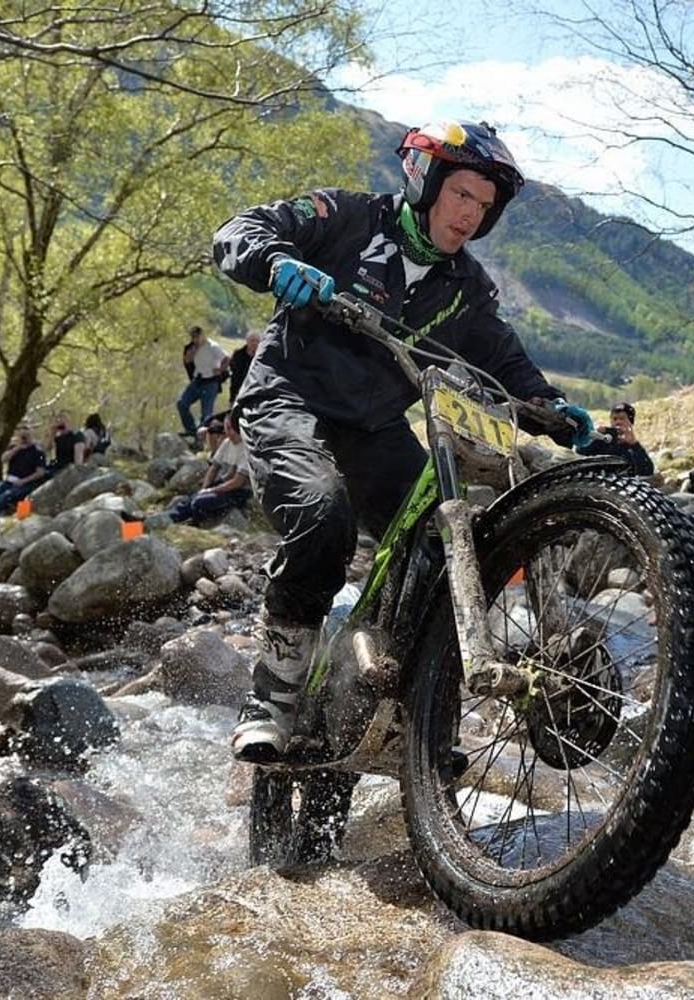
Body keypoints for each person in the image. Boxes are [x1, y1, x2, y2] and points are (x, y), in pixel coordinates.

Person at [212, 119, 592, 763]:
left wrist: (550, 406)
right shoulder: (347, 216)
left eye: (484, 206)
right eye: (462, 194)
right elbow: (238, 232)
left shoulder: (469, 287)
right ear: (426, 180)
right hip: (290, 395)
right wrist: (277, 264)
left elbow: (502, 356)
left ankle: (404, 712)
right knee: (323, 513)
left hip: (377, 427)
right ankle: (273, 691)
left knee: (446, 549)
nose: (471, 214)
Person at [166, 415, 254, 524]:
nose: (229, 432)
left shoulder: (247, 449)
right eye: (227, 428)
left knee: (199, 502)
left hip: (239, 491)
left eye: (232, 428)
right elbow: (213, 468)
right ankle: (157, 521)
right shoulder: (227, 443)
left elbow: (237, 482)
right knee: (188, 501)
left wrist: (211, 490)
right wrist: (205, 487)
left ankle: (196, 523)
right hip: (223, 484)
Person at [178, 326, 230, 438]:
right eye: (193, 337)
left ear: (202, 335)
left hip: (210, 381)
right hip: (197, 379)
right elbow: (187, 360)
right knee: (182, 403)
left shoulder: (213, 346)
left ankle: (202, 438)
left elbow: (226, 358)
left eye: (197, 336)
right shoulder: (192, 347)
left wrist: (220, 370)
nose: (195, 339)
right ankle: (191, 430)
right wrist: (194, 349)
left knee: (206, 414)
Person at [577, 401, 654, 476]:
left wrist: (634, 444)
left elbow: (647, 470)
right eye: (615, 419)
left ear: (630, 422)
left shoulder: (633, 446)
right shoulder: (602, 440)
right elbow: (580, 454)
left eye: (622, 419)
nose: (618, 422)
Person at [227, 329, 261, 402]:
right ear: (247, 341)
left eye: (257, 341)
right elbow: (233, 369)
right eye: (252, 340)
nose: (254, 343)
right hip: (237, 391)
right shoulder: (238, 354)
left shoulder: (262, 356)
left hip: (255, 393)